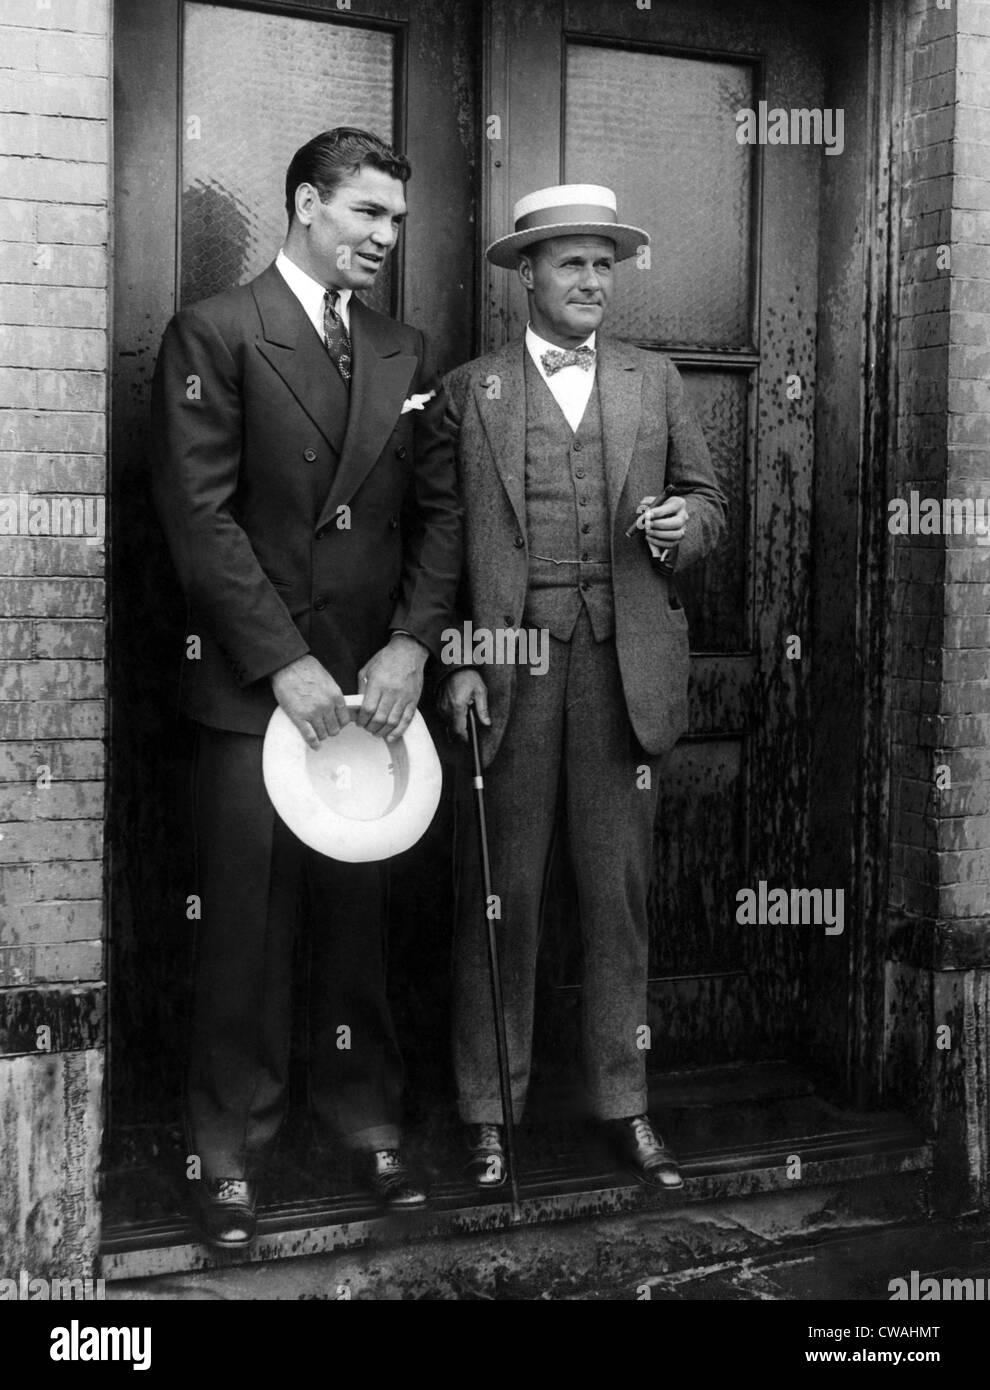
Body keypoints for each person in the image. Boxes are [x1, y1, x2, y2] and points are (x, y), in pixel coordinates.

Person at [149, 127, 461, 1247]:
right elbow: (200, 520)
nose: (384, 238)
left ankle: (367, 1123)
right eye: (366, 213)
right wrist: (285, 661)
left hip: (372, 703)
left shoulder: (402, 348)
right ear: (303, 204)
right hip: (255, 696)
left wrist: (412, 646)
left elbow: (440, 518)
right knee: (244, 927)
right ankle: (227, 1151)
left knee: (360, 919)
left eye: (395, 220)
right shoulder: (217, 334)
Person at [439, 184, 726, 1191]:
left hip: (622, 666)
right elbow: (439, 554)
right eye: (571, 263)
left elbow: (709, 503)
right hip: (512, 671)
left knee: (618, 899)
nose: (593, 281)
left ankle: (626, 1105)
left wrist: (682, 529)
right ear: (528, 273)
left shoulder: (657, 380)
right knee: (499, 896)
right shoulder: (471, 391)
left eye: (605, 263)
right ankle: (489, 1113)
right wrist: (464, 657)